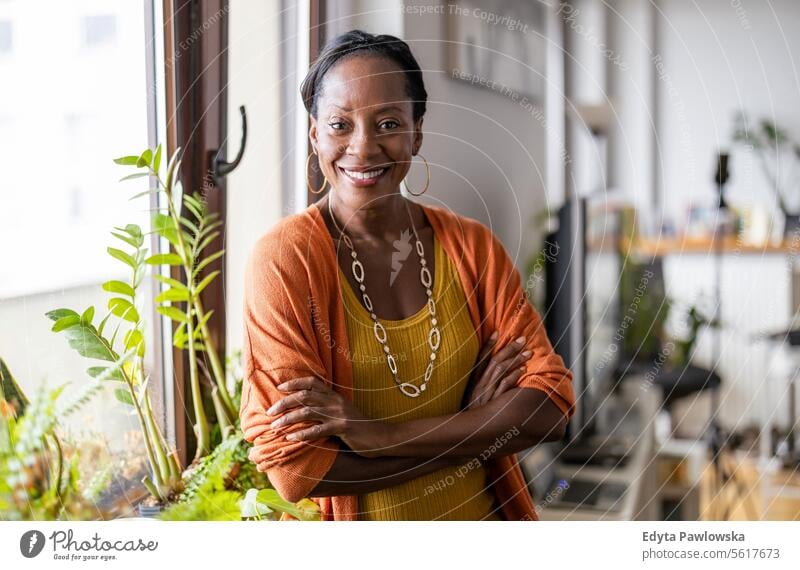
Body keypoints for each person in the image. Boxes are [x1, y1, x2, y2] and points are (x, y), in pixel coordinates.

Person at [239, 29, 575, 521]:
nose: (363, 147)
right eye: (339, 125)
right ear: (314, 135)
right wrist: (472, 428)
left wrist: (381, 437)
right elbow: (297, 469)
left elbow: (549, 407)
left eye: (388, 122)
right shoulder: (284, 262)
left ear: (417, 131)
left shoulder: (474, 248)